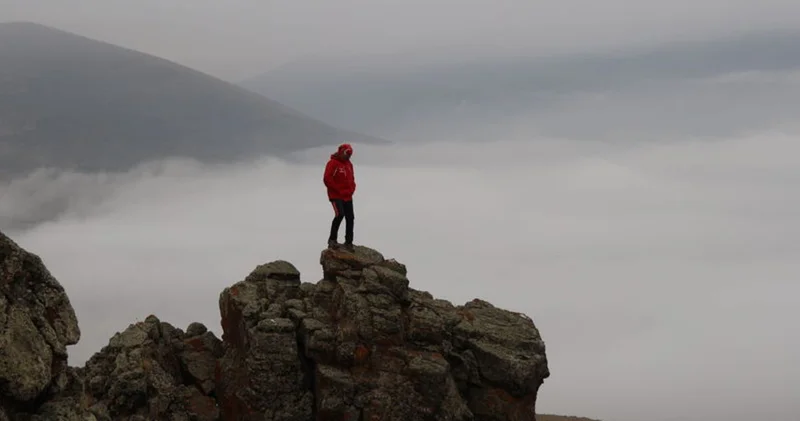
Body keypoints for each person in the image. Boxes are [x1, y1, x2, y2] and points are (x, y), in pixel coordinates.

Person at [323, 143, 356, 251]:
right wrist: (337, 189)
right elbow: (327, 179)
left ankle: (349, 242)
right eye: (347, 153)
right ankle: (332, 240)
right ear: (341, 152)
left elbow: (352, 178)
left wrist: (352, 189)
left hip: (347, 195)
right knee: (339, 214)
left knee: (350, 217)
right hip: (336, 195)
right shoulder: (333, 163)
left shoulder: (349, 164)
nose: (348, 156)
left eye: (350, 154)